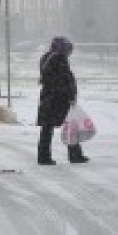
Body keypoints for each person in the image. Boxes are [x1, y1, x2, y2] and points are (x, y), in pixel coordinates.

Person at [36, 35, 88, 165]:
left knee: (47, 128)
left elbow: (49, 78)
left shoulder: (47, 57)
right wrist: (71, 95)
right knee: (70, 126)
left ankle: (43, 156)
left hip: (48, 98)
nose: (69, 53)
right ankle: (75, 155)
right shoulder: (59, 58)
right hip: (58, 99)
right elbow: (65, 79)